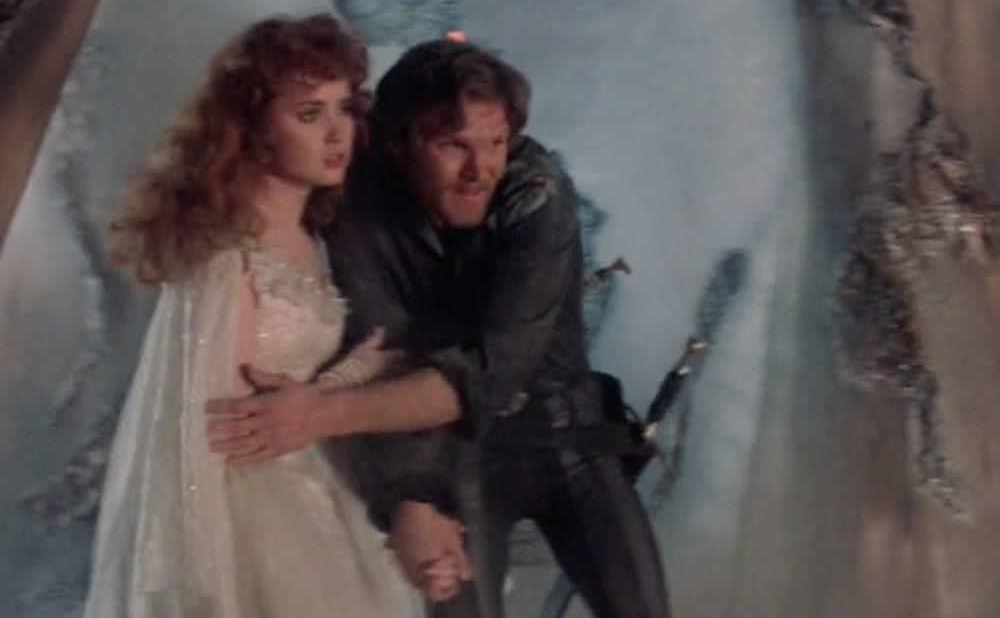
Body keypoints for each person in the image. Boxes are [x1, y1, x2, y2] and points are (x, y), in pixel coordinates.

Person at [211, 37, 671, 618]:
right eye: (453, 145)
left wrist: (319, 416)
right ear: (398, 142)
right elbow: (386, 348)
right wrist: (412, 495)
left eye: (496, 142)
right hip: (450, 457)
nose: (480, 170)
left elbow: (489, 372)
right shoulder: (356, 196)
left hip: (568, 440)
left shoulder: (535, 190)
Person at [83, 14, 446, 616]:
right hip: (248, 513)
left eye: (344, 109)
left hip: (315, 489)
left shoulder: (310, 238)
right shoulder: (228, 254)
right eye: (309, 114)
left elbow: (289, 395)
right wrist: (199, 574)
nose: (337, 133)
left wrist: (355, 374)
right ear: (253, 128)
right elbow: (209, 425)